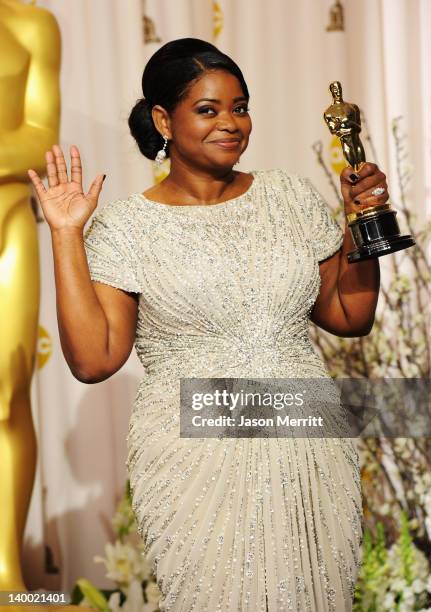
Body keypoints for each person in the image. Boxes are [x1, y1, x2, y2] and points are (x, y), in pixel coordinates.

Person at [28, 38, 387, 612]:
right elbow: (94, 360)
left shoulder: (288, 197)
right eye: (209, 109)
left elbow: (349, 315)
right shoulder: (126, 228)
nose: (231, 123)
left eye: (240, 107)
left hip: (308, 442)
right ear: (163, 119)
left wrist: (359, 224)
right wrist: (67, 234)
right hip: (197, 461)